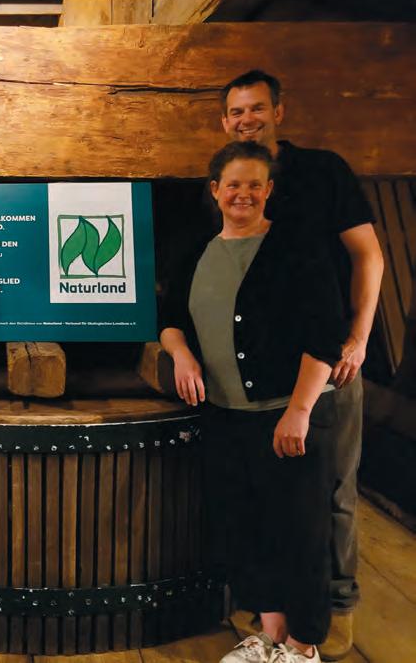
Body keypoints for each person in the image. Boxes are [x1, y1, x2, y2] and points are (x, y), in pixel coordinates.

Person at [160, 142, 347, 663]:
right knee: (246, 527)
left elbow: (325, 335)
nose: (243, 194)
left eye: (254, 185)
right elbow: (171, 319)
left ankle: (303, 646)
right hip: (227, 419)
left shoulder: (297, 248)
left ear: (269, 191)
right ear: (215, 190)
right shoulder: (196, 252)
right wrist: (181, 355)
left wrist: (300, 411)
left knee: (301, 532)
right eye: (233, 184)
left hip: (289, 416)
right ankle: (270, 636)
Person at [220, 70, 384, 660]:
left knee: (332, 490)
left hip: (329, 363)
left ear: (279, 112)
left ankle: (332, 615)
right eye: (237, 111)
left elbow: (368, 256)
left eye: (257, 108)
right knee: (270, 494)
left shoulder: (322, 172)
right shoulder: (233, 184)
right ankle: (276, 620)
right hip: (261, 373)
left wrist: (357, 339)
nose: (248, 119)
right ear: (225, 121)